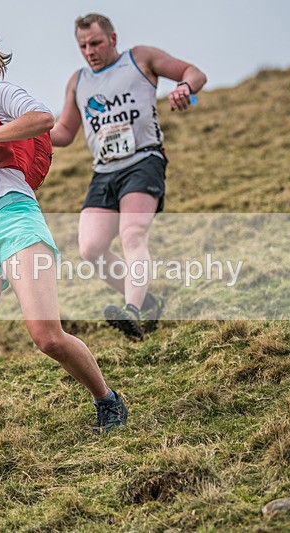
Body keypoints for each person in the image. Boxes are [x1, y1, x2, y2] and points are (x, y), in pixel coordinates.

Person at [0, 29, 128, 478]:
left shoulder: (3, 94)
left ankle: (106, 398)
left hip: (15, 223)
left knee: (47, 336)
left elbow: (43, 119)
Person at [50, 13, 207, 340]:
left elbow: (194, 72)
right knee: (91, 249)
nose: (90, 51)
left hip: (143, 161)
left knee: (133, 234)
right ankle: (148, 301)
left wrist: (185, 87)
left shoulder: (140, 58)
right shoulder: (78, 81)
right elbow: (64, 132)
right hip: (104, 171)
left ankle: (132, 311)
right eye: (83, 46)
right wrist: (22, 133)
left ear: (113, 39)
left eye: (96, 43)